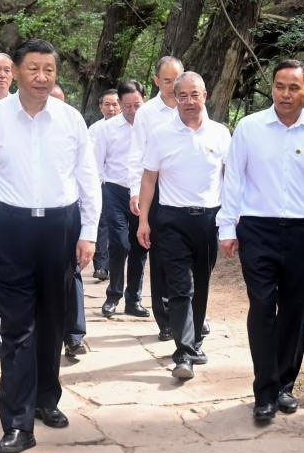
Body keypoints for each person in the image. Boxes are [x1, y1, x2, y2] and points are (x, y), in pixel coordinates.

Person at [0, 39, 101, 453]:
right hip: (8, 226)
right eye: (34, 69)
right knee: (17, 324)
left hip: (59, 227)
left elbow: (87, 176)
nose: (42, 77)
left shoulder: (70, 119)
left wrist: (89, 231)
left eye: (49, 70)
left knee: (54, 319)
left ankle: (46, 398)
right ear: (17, 72)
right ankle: (18, 422)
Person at [217, 59, 304, 422]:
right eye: (279, 86)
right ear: (271, 88)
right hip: (257, 229)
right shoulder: (250, 128)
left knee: (295, 309)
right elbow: (234, 181)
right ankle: (265, 390)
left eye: (293, 87)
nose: (285, 94)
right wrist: (227, 228)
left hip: (303, 231)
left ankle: (285, 384)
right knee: (261, 305)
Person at [136, 73, 230, 380]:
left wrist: (232, 221)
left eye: (195, 95)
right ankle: (184, 352)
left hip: (208, 220)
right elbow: (149, 178)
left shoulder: (220, 134)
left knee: (201, 283)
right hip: (171, 220)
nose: (189, 101)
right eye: (183, 96)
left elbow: (230, 179)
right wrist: (144, 220)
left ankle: (195, 342)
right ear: (175, 99)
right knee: (180, 286)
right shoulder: (161, 134)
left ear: (206, 95)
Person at [127, 55, 184, 340]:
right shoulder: (148, 113)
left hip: (186, 188)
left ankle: (188, 312)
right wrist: (134, 192)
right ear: (156, 81)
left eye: (177, 79)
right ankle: (166, 320)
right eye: (167, 81)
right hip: (156, 187)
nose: (173, 86)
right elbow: (137, 153)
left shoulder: (193, 105)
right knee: (161, 255)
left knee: (186, 256)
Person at [95, 80, 149, 319]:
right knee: (120, 243)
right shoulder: (107, 129)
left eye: (136, 105)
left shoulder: (152, 126)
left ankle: (133, 299)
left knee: (140, 246)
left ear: (144, 101)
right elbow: (97, 164)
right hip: (115, 191)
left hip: (143, 192)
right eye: (126, 105)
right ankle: (113, 294)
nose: (132, 110)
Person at [49, 82, 88, 358]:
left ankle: (74, 335)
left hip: (69, 217)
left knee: (71, 275)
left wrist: (88, 228)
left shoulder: (73, 129)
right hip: (33, 223)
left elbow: (87, 179)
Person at [88, 89, 120, 281]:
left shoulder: (132, 127)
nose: (111, 108)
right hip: (100, 183)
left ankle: (112, 264)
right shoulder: (94, 130)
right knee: (102, 224)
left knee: (115, 227)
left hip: (121, 185)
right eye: (106, 104)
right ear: (100, 107)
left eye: (115, 104)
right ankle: (101, 266)